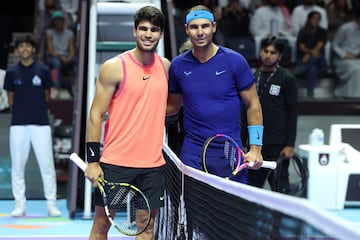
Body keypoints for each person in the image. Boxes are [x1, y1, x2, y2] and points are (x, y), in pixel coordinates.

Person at [84, 6, 169, 240]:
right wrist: (92, 161)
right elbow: (95, 115)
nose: (148, 34)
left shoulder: (166, 67)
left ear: (160, 33)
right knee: (102, 225)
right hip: (116, 164)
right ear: (134, 31)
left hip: (152, 166)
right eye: (143, 28)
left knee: (146, 227)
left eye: (154, 29)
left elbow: (169, 106)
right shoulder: (113, 67)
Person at [167, 5, 264, 184]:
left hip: (229, 151)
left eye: (204, 26)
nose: (200, 32)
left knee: (229, 210)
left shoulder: (234, 61)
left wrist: (256, 148)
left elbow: (253, 104)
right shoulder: (178, 66)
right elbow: (172, 107)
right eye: (194, 27)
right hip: (192, 152)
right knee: (193, 210)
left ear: (214, 27)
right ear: (187, 30)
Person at [3, 34, 61, 217]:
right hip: (18, 125)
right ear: (17, 50)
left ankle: (51, 204)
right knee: (18, 167)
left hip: (41, 124)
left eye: (28, 46)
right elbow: (10, 99)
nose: (25, 49)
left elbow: (47, 95)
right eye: (21, 47)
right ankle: (19, 205)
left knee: (47, 165)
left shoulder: (43, 70)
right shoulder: (11, 72)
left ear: (33, 49)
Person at [242, 36, 298, 192]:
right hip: (255, 142)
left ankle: (279, 217)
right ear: (260, 52)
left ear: (279, 56)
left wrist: (289, 144)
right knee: (252, 187)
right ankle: (250, 216)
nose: (268, 55)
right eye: (265, 51)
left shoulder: (287, 79)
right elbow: (243, 110)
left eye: (273, 52)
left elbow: (292, 113)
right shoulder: (251, 77)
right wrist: (242, 140)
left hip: (278, 144)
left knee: (280, 187)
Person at [294, 10, 327, 98]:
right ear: (309, 19)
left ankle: (300, 70)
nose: (316, 20)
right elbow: (301, 46)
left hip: (320, 60)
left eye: (318, 19)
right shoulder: (303, 31)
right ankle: (310, 93)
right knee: (312, 69)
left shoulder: (322, 31)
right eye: (314, 18)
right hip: (307, 61)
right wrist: (309, 53)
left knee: (315, 57)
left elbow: (319, 47)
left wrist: (308, 54)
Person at [331, 6, 360, 98]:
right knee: (356, 69)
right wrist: (345, 55)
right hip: (342, 59)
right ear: (356, 18)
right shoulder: (345, 28)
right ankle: (353, 96)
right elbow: (334, 45)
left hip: (357, 58)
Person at [45, 10, 75, 92]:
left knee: (78, 61)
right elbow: (51, 51)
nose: (58, 22)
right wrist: (61, 57)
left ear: (63, 21)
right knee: (56, 63)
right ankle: (55, 88)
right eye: (56, 20)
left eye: (60, 20)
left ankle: (76, 87)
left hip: (66, 56)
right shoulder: (49, 33)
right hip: (54, 56)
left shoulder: (70, 34)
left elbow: (72, 50)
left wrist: (69, 58)